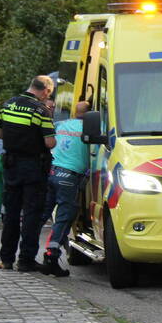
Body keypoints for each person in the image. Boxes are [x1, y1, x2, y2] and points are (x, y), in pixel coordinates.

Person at [0, 75, 56, 271]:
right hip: (33, 168)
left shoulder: (8, 105)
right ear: (46, 91)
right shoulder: (40, 110)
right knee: (32, 214)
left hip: (11, 165)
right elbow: (50, 143)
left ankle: (6, 259)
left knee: (11, 213)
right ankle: (26, 260)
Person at [39, 100, 91, 277]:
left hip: (52, 171)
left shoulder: (62, 124)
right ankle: (51, 257)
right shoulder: (93, 128)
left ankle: (25, 254)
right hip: (69, 176)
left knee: (43, 213)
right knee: (64, 216)